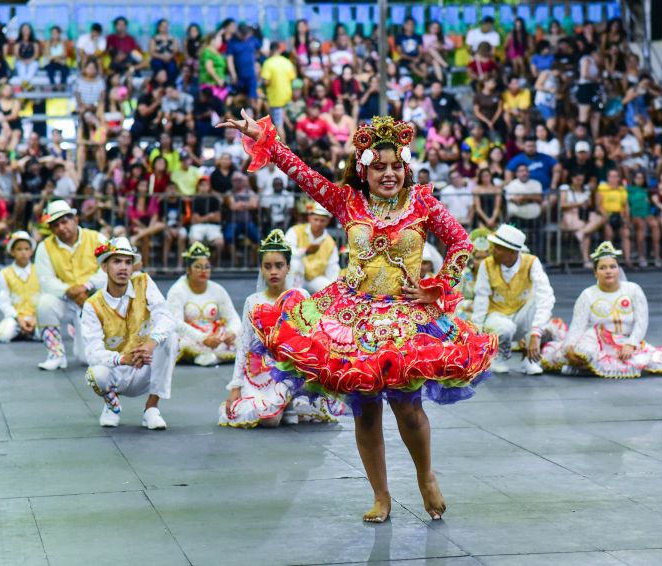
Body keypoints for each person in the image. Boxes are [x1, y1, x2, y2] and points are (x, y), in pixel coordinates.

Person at [219, 112, 496, 522]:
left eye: (396, 166)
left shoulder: (421, 202)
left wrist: (435, 287)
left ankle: (425, 477)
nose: (389, 174)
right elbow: (304, 175)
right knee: (365, 410)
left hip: (406, 318)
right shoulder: (348, 201)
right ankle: (381, 496)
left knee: (408, 407)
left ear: (406, 166)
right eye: (379, 167)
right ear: (363, 169)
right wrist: (268, 141)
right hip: (353, 316)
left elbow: (460, 243)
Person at [220, 230, 344, 427]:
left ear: (288, 268)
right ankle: (284, 405)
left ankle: (293, 401)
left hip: (294, 369)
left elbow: (315, 337)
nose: (273, 272)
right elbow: (243, 345)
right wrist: (235, 386)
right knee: (271, 420)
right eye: (267, 267)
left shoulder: (300, 295)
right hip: (262, 371)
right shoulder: (253, 301)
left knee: (305, 410)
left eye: (279, 266)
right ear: (261, 269)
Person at [541, 242, 662, 378]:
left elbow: (641, 322)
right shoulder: (587, 295)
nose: (608, 271)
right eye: (602, 268)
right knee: (582, 352)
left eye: (612, 266)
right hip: (594, 340)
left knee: (655, 361)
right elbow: (578, 326)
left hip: (625, 341)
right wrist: (569, 347)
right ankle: (584, 365)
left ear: (618, 270)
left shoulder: (633, 290)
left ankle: (587, 368)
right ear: (595, 273)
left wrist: (631, 344)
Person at [81, 237, 176, 429]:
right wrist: (123, 359)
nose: (123, 267)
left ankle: (152, 408)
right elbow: (92, 352)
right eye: (117, 261)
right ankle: (111, 405)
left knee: (171, 338)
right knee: (95, 373)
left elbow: (166, 316)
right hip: (118, 369)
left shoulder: (144, 282)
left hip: (146, 364)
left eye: (128, 262)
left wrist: (151, 344)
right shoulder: (92, 305)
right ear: (104, 267)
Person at [471, 224, 555, 376]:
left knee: (540, 300)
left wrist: (536, 333)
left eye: (497, 247)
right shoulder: (487, 265)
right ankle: (500, 356)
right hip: (497, 317)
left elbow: (546, 296)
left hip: (522, 317)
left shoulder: (531, 262)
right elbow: (481, 298)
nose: (492, 250)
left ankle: (530, 358)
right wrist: (476, 330)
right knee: (505, 327)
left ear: (511, 252)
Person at [35, 201, 107, 370]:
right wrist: (69, 291)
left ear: (75, 219)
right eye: (55, 225)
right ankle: (56, 354)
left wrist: (87, 286)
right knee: (44, 303)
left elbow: (108, 269)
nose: (61, 227)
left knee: (86, 359)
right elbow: (46, 281)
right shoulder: (44, 247)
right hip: (67, 299)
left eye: (64, 221)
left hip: (94, 299)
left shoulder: (97, 238)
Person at [166, 243, 241, 367]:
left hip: (213, 335)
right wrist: (202, 338)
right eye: (198, 267)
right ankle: (206, 355)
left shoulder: (217, 289)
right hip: (188, 336)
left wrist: (231, 333)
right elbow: (176, 323)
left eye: (207, 267)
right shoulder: (177, 290)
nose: (203, 271)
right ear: (188, 270)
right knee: (176, 340)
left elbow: (233, 317)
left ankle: (209, 355)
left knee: (242, 338)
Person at [284, 202, 339, 294]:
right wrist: (305, 252)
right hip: (294, 277)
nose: (318, 223)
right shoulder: (294, 231)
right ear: (309, 218)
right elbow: (286, 253)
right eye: (316, 219)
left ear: (328, 221)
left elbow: (333, 267)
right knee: (296, 263)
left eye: (322, 220)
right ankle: (291, 295)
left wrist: (335, 286)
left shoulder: (330, 243)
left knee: (331, 290)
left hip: (315, 278)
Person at [0, 231, 40, 343]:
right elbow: (4, 303)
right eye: (19, 249)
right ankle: (23, 330)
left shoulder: (39, 270)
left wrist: (35, 318)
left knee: (45, 333)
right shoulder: (5, 273)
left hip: (36, 316)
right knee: (3, 335)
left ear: (31, 251)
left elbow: (44, 297)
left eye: (26, 249)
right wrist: (18, 318)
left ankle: (27, 331)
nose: (23, 253)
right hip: (15, 318)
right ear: (12, 252)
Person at [454, 228, 491, 322]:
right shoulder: (463, 275)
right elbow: (454, 299)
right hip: (467, 313)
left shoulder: (495, 275)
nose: (482, 262)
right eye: (478, 258)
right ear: (472, 259)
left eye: (485, 258)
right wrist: (470, 304)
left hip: (489, 312)